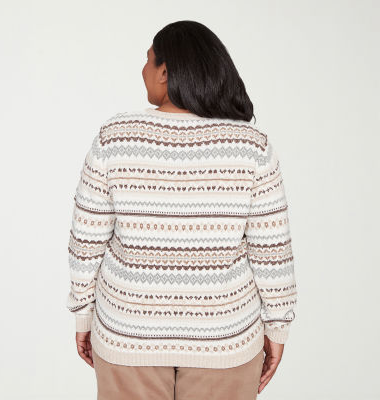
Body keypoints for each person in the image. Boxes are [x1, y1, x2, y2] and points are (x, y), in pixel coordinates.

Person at [66, 20, 298, 400]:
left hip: (129, 334)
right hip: (224, 339)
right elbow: (272, 253)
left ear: (165, 72)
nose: (142, 69)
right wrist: (277, 327)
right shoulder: (252, 146)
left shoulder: (115, 137)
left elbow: (85, 242)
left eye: (148, 59)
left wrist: (83, 314)